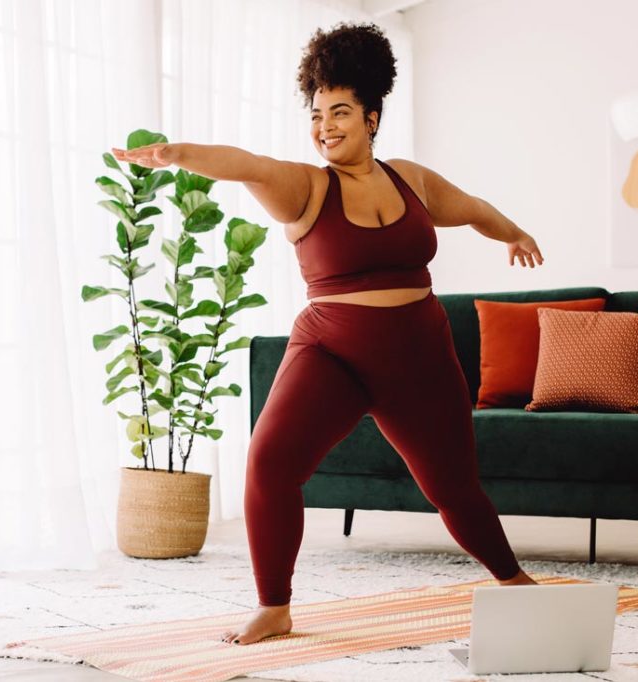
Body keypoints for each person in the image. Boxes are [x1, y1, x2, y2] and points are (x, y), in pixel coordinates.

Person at [111, 21, 545, 647]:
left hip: (419, 354)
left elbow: (471, 207)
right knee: (268, 462)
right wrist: (180, 156)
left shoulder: (411, 180)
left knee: (453, 487)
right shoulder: (307, 186)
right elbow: (248, 165)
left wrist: (513, 233)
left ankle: (510, 579)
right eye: (316, 114)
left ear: (372, 115)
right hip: (332, 353)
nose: (325, 126)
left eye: (340, 111)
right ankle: (274, 605)